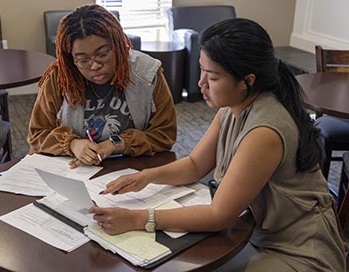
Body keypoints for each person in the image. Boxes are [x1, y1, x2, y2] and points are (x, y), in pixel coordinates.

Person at [89, 18, 346, 271]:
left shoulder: (264, 131)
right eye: (201, 70)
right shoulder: (233, 106)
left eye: (212, 77)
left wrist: (137, 219)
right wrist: (146, 177)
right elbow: (194, 165)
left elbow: (219, 216)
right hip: (258, 234)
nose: (201, 83)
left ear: (248, 80)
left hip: (298, 248)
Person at [27, 4, 177, 168]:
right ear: (72, 59)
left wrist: (117, 144)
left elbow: (165, 134)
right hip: (76, 169)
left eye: (103, 54)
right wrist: (72, 144)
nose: (95, 66)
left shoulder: (146, 73)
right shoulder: (61, 77)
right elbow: (37, 134)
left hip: (132, 167)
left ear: (118, 47)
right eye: (83, 60)